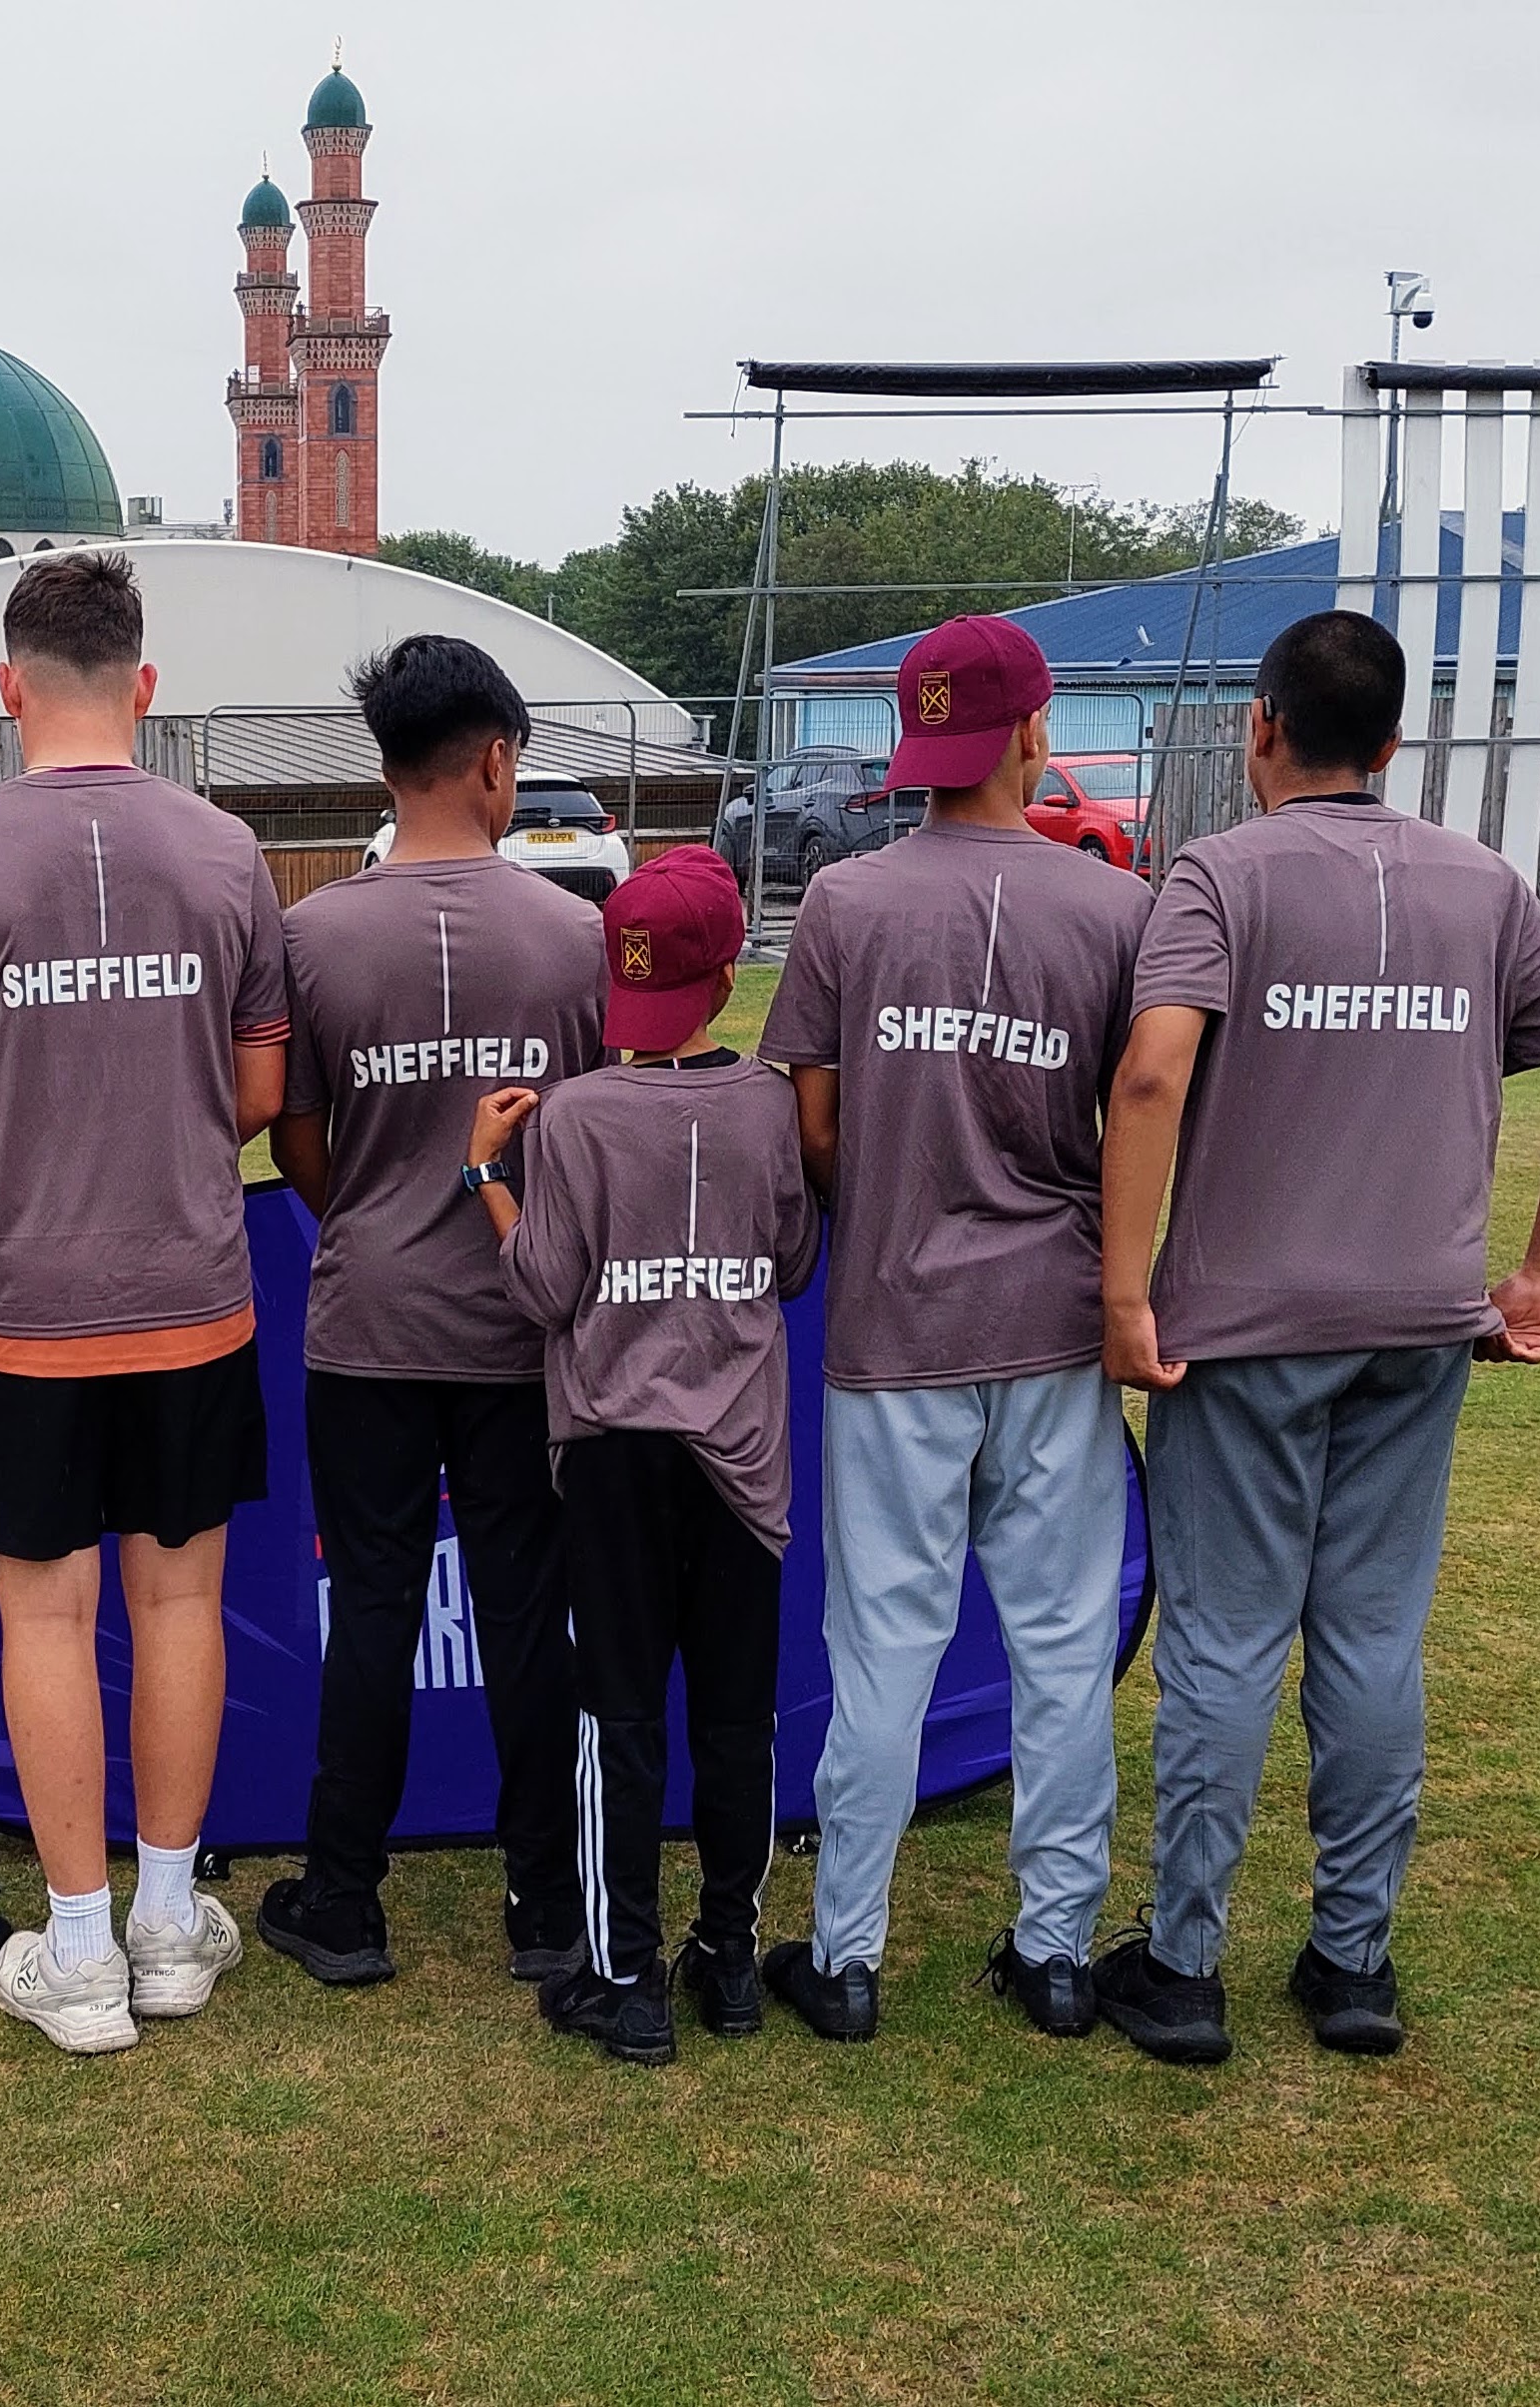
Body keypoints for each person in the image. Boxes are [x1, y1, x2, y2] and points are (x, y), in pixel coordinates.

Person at [1094, 610, 1540, 2063]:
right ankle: (1351, 1960)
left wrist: (1125, 1293)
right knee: (1374, 1635)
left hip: (1243, 1329)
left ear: (1259, 725)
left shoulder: (1218, 873)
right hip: (1417, 1322)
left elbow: (1149, 1076)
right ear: (1392, 743)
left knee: (1223, 1641)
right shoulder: (1482, 882)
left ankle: (1183, 1964)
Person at [0, 549, 290, 2054]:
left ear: (7, 688)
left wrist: (16, 1186)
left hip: (17, 1303)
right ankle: (165, 1922)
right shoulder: (225, 850)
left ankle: (79, 1947)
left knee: (44, 1617)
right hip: (189, 1291)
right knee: (178, 1600)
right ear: (144, 684)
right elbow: (259, 1087)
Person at [752, 616, 1151, 2045]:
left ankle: (845, 1955)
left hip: (897, 1326)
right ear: (1034, 734)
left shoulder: (844, 901)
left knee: (883, 1648)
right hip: (1051, 1323)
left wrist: (892, 1199)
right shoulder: (1114, 906)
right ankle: (1056, 1953)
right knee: (1060, 1645)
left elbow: (807, 1119)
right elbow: (1141, 1116)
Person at [258, 635, 602, 1990]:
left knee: (376, 1604)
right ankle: (547, 1907)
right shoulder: (574, 937)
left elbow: (296, 1138)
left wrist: (372, 1212)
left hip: (372, 1326)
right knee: (525, 1608)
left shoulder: (312, 936)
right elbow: (591, 1142)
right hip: (522, 1327)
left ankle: (344, 1901)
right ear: (496, 761)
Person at [470, 845, 818, 2064]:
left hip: (614, 1449)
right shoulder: (768, 1103)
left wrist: (485, 1174)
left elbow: (542, 1289)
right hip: (740, 1456)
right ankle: (729, 1960)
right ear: (723, 981)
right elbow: (790, 1261)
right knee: (734, 1718)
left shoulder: (573, 1114)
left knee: (615, 1716)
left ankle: (625, 1980)